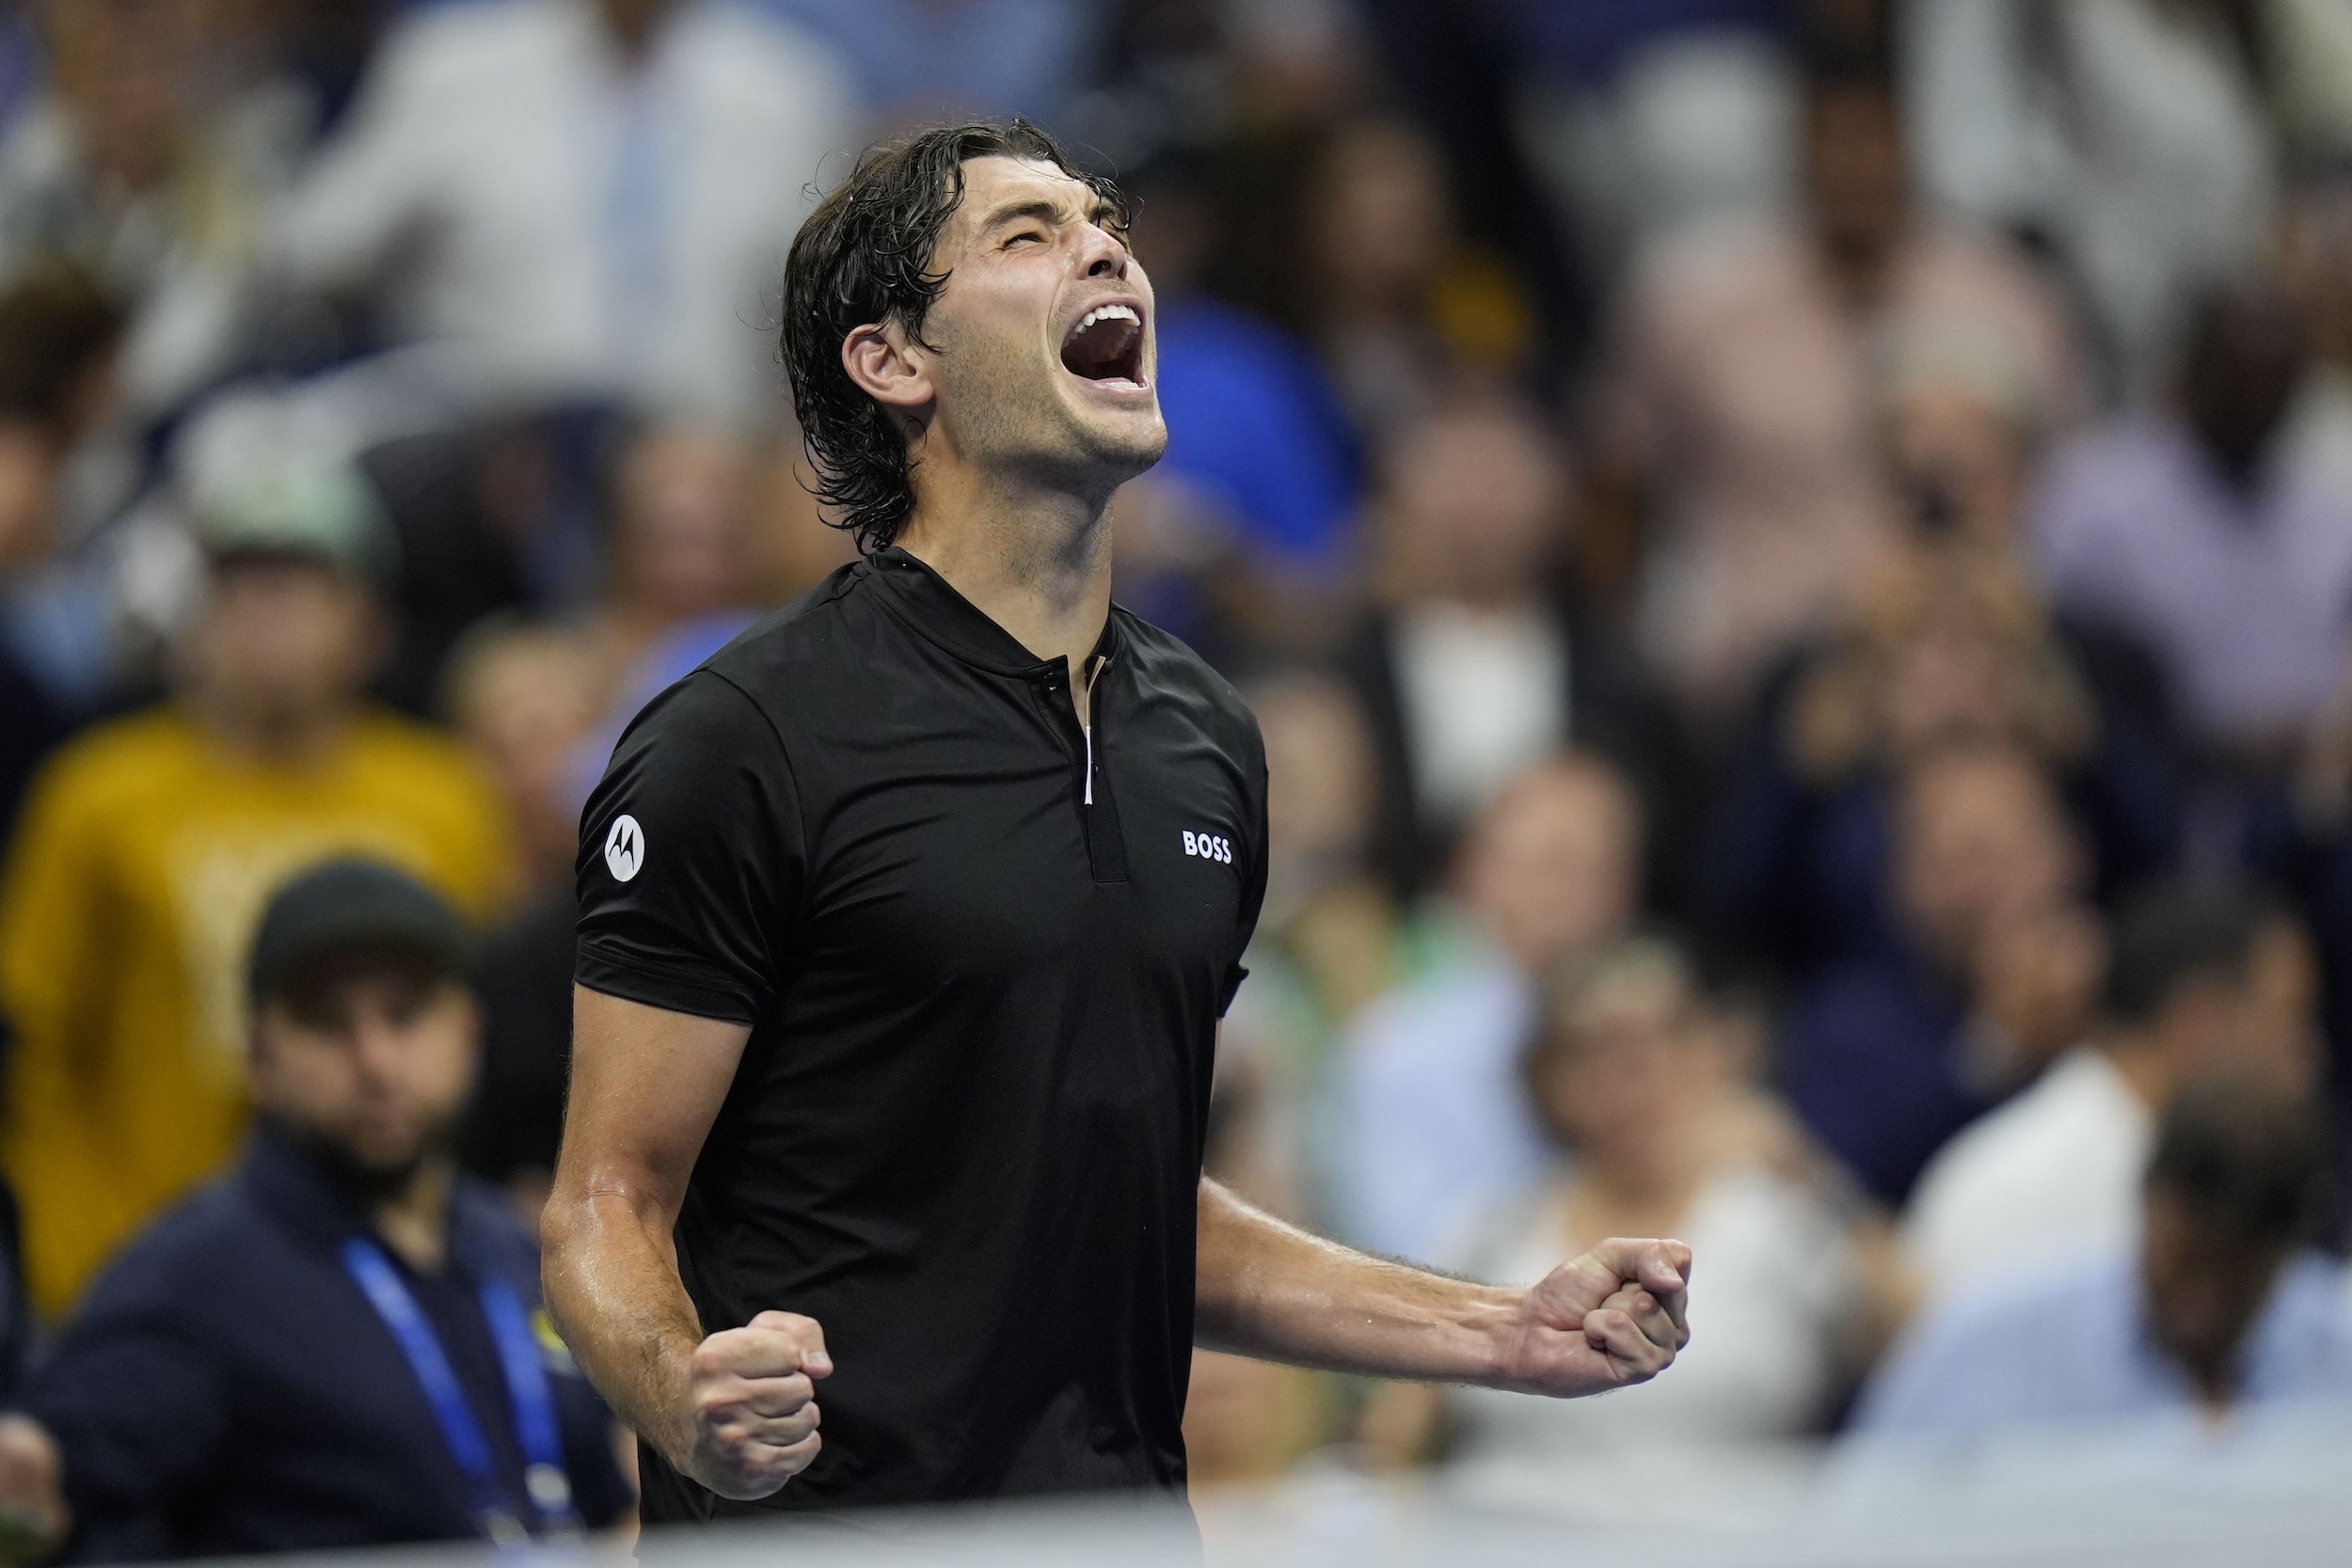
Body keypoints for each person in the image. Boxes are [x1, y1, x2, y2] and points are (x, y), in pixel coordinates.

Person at [540, 120, 1692, 1524]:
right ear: (894, 360)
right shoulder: (740, 738)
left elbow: (1140, 1208)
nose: (1104, 248)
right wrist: (682, 1395)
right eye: (1026, 236)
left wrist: (1504, 1330)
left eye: (1105, 224)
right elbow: (605, 1206)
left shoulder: (1206, 742)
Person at [0, 859, 632, 1558]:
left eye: (406, 1013)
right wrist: (32, 1485)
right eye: (326, 1023)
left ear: (471, 1032)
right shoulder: (197, 1281)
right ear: (258, 1056)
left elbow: (604, 1489)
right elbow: (52, 1473)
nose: (376, 1060)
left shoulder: (516, 1246)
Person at [0, 461, 514, 1318]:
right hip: (147, 1272)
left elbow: (484, 1031)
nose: (267, 616)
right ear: (197, 617)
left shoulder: (446, 798)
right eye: (240, 587)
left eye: (301, 585)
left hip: (397, 1274)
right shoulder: (96, 796)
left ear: (370, 622)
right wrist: (78, 1257)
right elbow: (34, 1056)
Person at [1590, 40, 2082, 725]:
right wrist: (1625, 656)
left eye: (1874, 140)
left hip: (1964, 687)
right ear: (1795, 146)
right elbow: (1619, 483)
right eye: (1833, 141)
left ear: (1911, 140)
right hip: (1747, 679)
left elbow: (2062, 487)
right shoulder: (1693, 303)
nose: (1854, 167)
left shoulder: (2005, 299)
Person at [1359, 938, 1897, 1521]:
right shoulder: (1491, 1233)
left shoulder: (1786, 1219)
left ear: (1711, 1051)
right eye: (1595, 1054)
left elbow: (1921, 1345)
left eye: (1656, 1042)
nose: (1630, 1079)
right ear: (1546, 1081)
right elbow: (1390, 1443)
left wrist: (1800, 1165)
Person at [277, 0, 858, 428]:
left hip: (706, 452)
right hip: (497, 441)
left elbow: (834, 313)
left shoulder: (787, 92)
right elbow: (312, 252)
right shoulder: (454, 69)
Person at [1855, 1071, 2352, 1443]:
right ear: (2147, 1203)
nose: (2205, 1302)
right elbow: (1860, 1530)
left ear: (2286, 1256)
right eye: (2187, 1267)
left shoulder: (2337, 1345)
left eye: (2239, 1281)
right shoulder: (1983, 1348)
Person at [1903, 883, 2319, 1305]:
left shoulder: (2243, 1184)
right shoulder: (2011, 1192)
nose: (2310, 1061)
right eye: (2288, 1021)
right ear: (2199, 1024)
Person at [1337, 395, 1678, 902]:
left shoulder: (1620, 680)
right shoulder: (1341, 673)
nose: (1477, 506)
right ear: (1397, 491)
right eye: (1452, 474)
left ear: (1558, 495)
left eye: (1499, 477)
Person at [1334, 752, 1645, 1262]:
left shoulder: (1666, 1051)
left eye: (1606, 869)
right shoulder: (1394, 1052)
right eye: (1555, 864)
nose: (1581, 895)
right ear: (1479, 873)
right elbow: (1403, 1263)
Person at [2034, 275, 2352, 767]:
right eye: (2240, 377)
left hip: (2310, 787)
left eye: (2275, 380)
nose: (2256, 400)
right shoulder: (2093, 499)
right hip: (2150, 777)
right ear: (2191, 369)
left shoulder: (2327, 514)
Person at [1780, 740, 2096, 1207]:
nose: (1971, 892)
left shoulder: (2130, 991)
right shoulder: (1848, 1023)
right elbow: (1849, 1184)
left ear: (2064, 858)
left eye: (1988, 857)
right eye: (1943, 864)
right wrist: (1995, 1050)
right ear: (1898, 884)